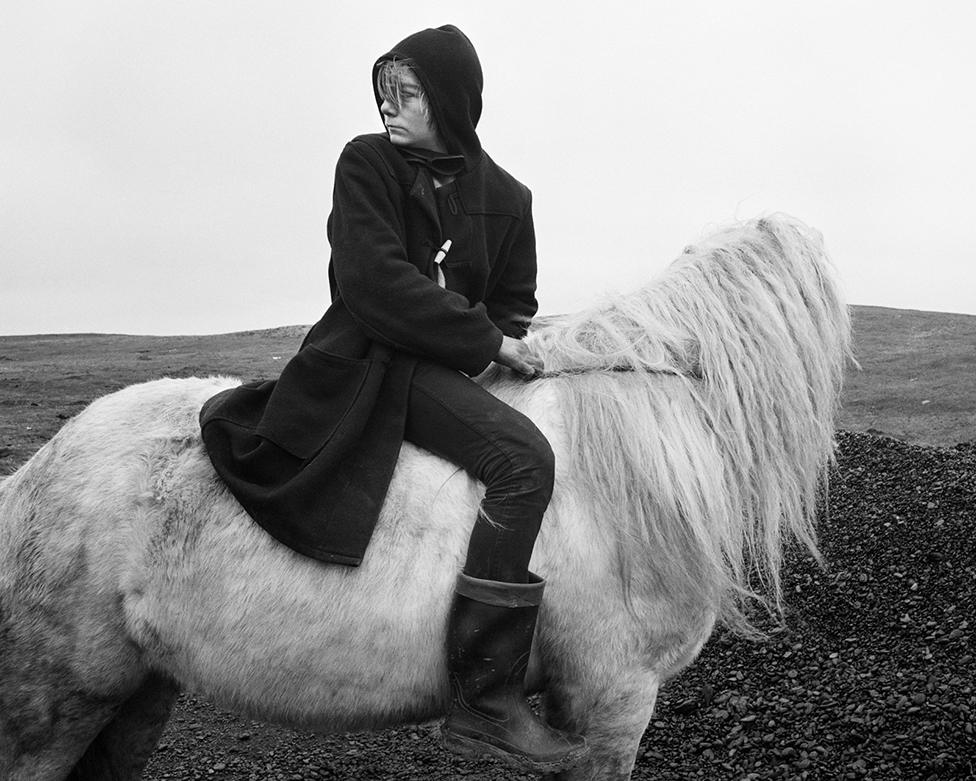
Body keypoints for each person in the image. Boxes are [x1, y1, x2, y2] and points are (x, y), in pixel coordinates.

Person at [199, 24, 587, 773]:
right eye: (384, 90)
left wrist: (482, 342)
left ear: (448, 100)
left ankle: (499, 676)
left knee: (527, 448)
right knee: (524, 458)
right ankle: (487, 699)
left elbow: (514, 303)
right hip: (363, 360)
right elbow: (372, 285)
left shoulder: (509, 197)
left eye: (405, 93)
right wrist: (480, 338)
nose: (388, 106)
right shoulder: (366, 163)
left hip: (441, 372)